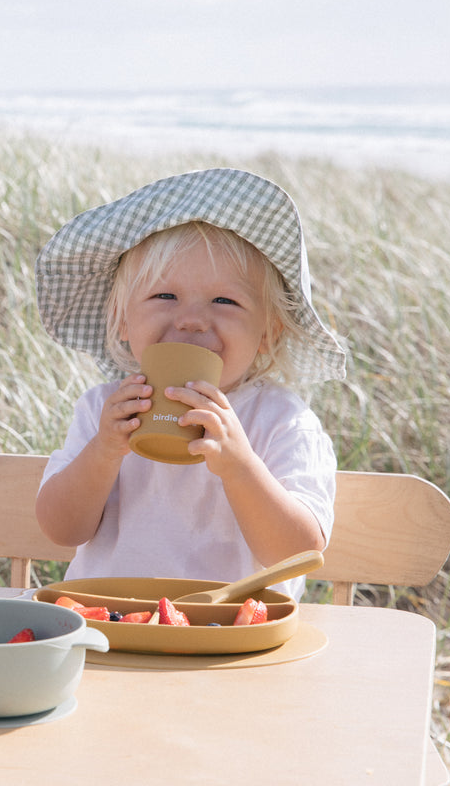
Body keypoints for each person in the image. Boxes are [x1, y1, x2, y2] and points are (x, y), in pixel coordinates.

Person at [34, 168, 347, 599]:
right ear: (123, 319)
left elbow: (297, 551)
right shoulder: (105, 410)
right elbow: (60, 528)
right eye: (165, 296)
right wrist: (104, 451)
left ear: (269, 332)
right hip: (113, 623)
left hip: (228, 633)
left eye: (225, 301)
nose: (192, 319)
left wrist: (240, 468)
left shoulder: (281, 421)